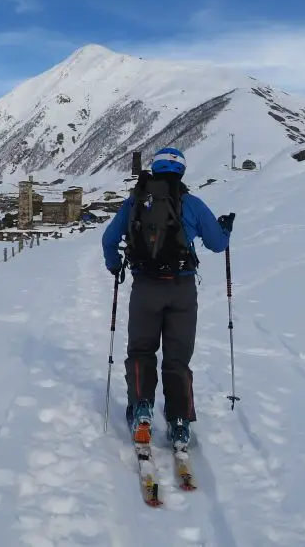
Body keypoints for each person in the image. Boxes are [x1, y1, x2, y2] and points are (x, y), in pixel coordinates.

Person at [101, 147, 234, 449]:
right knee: (177, 357)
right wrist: (225, 229)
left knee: (141, 350)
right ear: (182, 172)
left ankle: (141, 409)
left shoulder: (135, 202)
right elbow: (216, 244)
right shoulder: (191, 204)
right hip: (182, 289)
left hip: (145, 287)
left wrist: (114, 266)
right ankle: (179, 420)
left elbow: (109, 239)